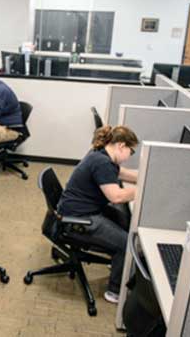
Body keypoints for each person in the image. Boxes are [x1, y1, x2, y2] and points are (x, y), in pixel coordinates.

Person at [57, 125, 139, 304]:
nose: (130, 156)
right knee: (127, 243)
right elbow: (116, 197)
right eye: (131, 152)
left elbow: (123, 174)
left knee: (124, 220)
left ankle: (117, 262)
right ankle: (114, 292)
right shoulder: (103, 163)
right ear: (121, 146)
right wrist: (141, 190)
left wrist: (147, 177)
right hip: (79, 220)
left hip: (77, 210)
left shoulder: (100, 154)